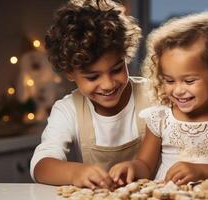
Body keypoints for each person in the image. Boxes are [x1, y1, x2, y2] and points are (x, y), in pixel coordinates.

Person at [109, 11, 208, 186]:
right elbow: (145, 165)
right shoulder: (160, 119)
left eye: (189, 81)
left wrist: (202, 172)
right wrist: (132, 167)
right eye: (169, 80)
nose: (178, 90)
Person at [30, 0, 150, 190]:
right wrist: (75, 172)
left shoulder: (152, 95)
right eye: (93, 76)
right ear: (69, 72)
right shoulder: (67, 110)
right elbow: (41, 166)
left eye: (117, 69)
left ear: (126, 55)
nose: (108, 84)